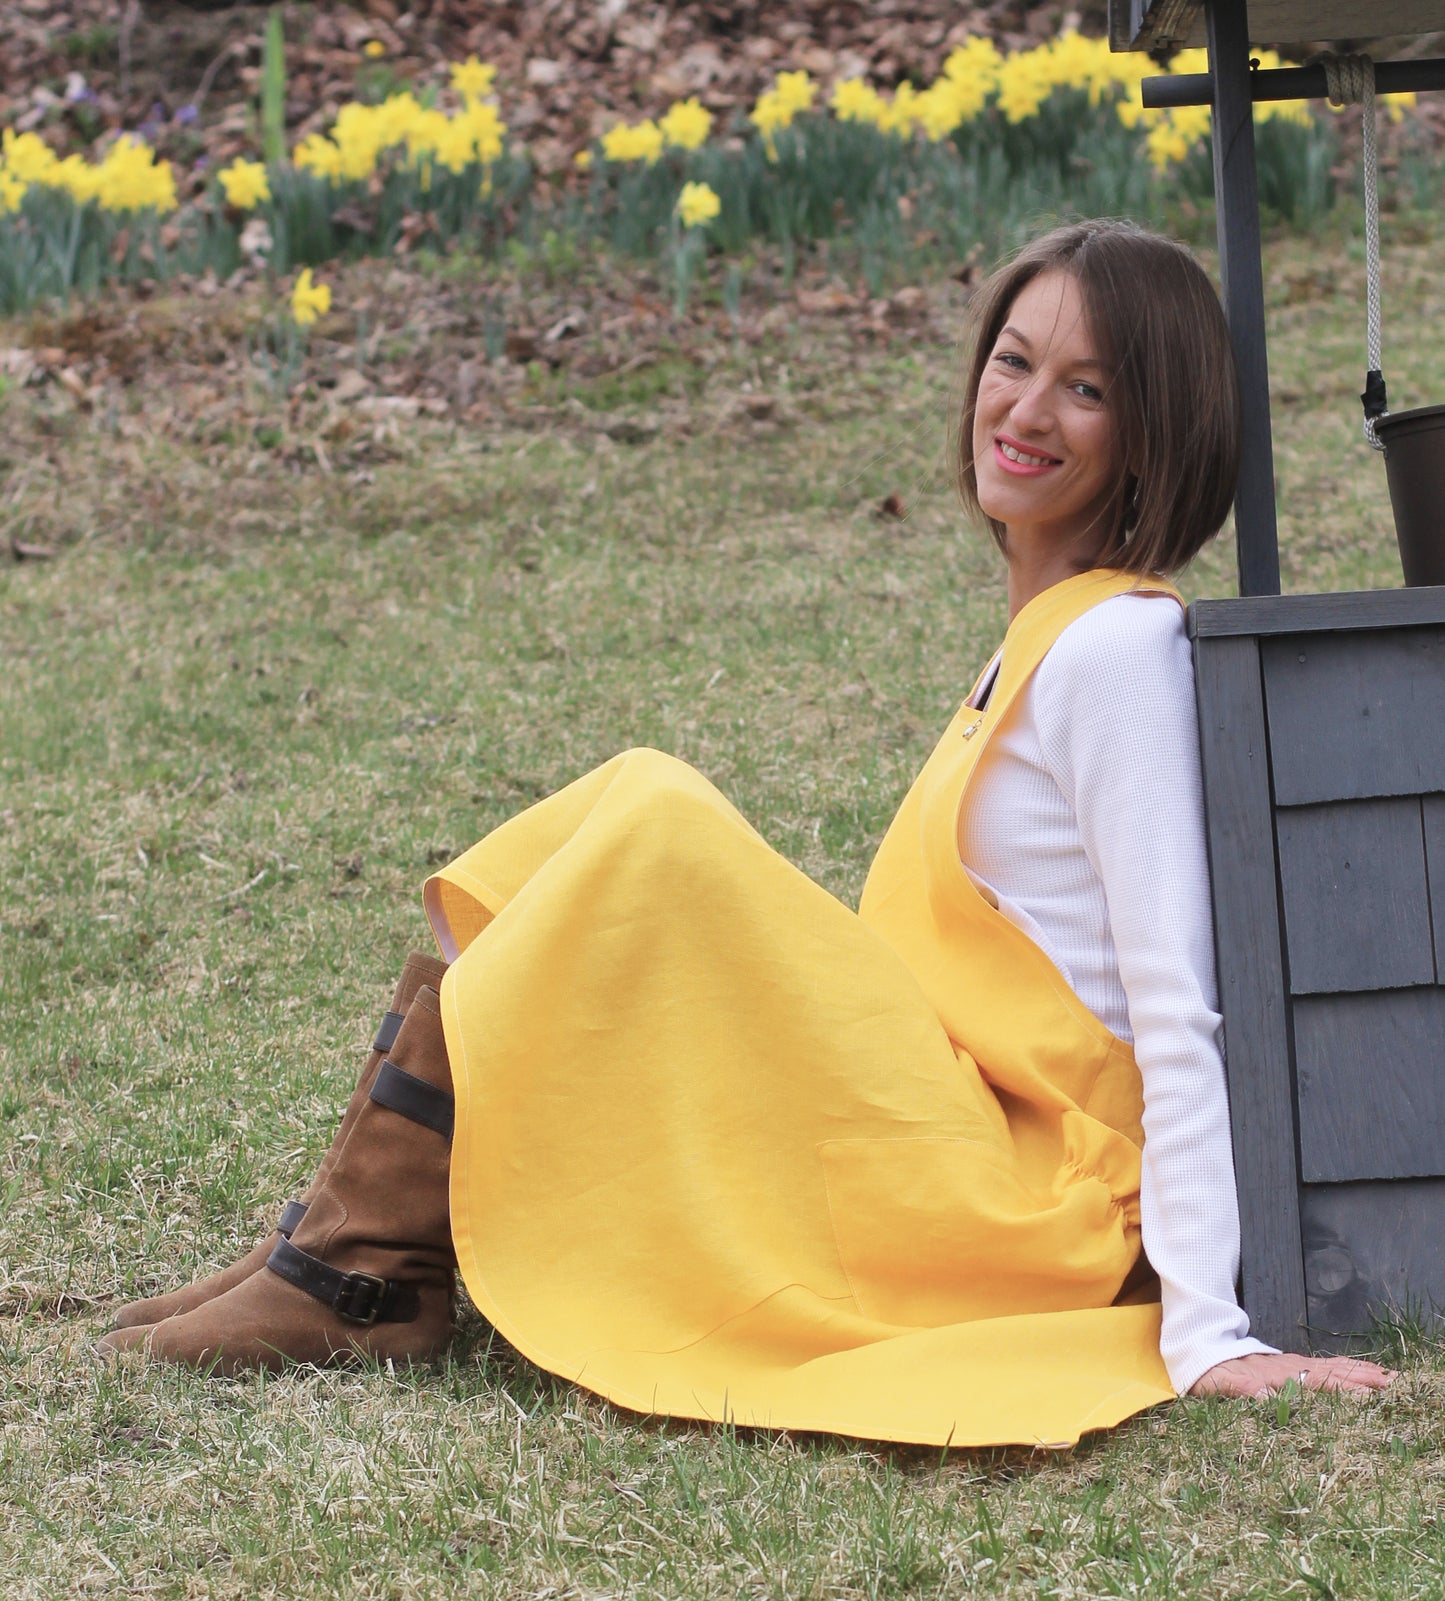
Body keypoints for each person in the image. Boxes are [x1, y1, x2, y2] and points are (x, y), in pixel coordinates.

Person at [99, 220, 1393, 1445]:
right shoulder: (1041, 643)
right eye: (1012, 361)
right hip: (946, 1123)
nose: (1025, 409)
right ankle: (347, 1242)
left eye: (1085, 390)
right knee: (626, 814)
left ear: (1152, 431)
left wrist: (1207, 1331)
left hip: (1027, 1193)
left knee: (653, 817)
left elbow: (1176, 997)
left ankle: (356, 1264)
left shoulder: (1115, 648)